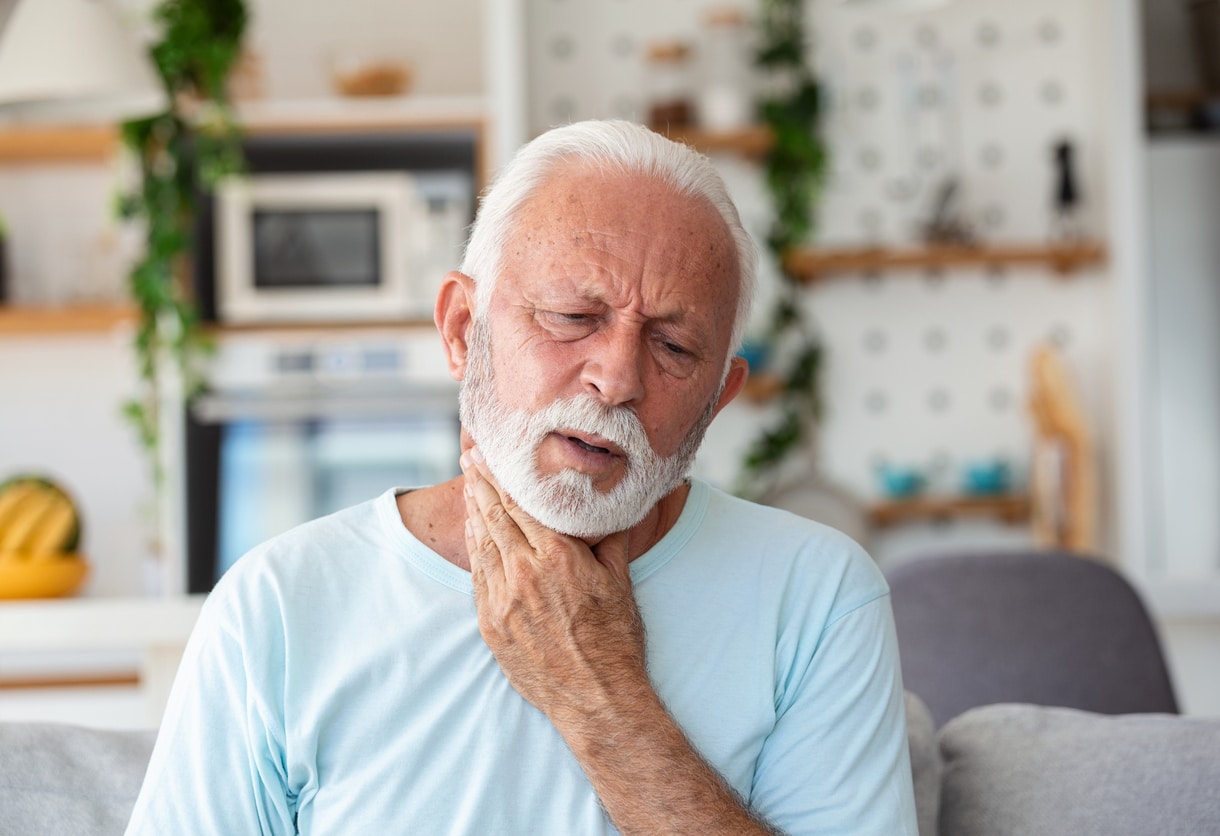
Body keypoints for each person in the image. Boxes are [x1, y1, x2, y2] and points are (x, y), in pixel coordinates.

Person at [125, 119, 918, 835]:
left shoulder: (818, 595)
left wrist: (596, 693)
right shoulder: (277, 605)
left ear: (717, 402)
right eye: (573, 318)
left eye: (674, 348)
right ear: (463, 331)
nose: (616, 377)